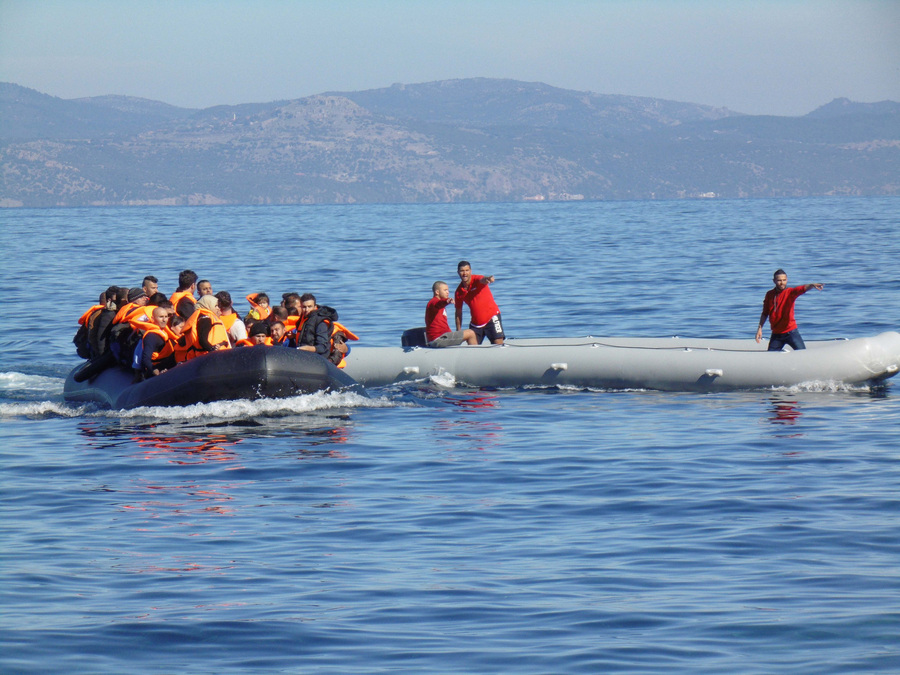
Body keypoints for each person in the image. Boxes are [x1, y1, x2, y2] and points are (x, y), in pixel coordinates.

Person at [756, 269, 824, 351]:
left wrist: (812, 285)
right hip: (776, 334)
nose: (782, 283)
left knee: (804, 355)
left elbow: (801, 289)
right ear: (774, 281)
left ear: (787, 280)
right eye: (779, 280)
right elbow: (765, 313)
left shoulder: (790, 293)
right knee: (770, 357)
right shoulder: (769, 295)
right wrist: (760, 328)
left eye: (784, 280)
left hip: (791, 332)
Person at [454, 260, 505, 345]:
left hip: (492, 318)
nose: (465, 273)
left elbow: (483, 280)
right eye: (462, 271)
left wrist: (488, 279)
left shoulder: (477, 279)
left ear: (471, 271)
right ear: (458, 272)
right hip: (476, 324)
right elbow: (458, 312)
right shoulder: (459, 292)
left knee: (498, 345)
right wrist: (458, 330)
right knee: (472, 346)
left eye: (467, 270)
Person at [426, 281, 478, 347]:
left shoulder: (440, 307)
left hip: (442, 337)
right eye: (445, 290)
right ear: (437, 292)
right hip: (438, 339)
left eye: (448, 290)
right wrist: (447, 301)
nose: (448, 292)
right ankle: (473, 355)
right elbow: (438, 304)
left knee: (464, 334)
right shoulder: (433, 302)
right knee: (471, 333)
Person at [183, 295, 230, 360]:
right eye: (215, 306)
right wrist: (212, 350)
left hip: (203, 357)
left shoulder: (200, 316)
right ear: (208, 305)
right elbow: (202, 340)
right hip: (208, 357)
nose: (218, 308)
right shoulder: (205, 318)